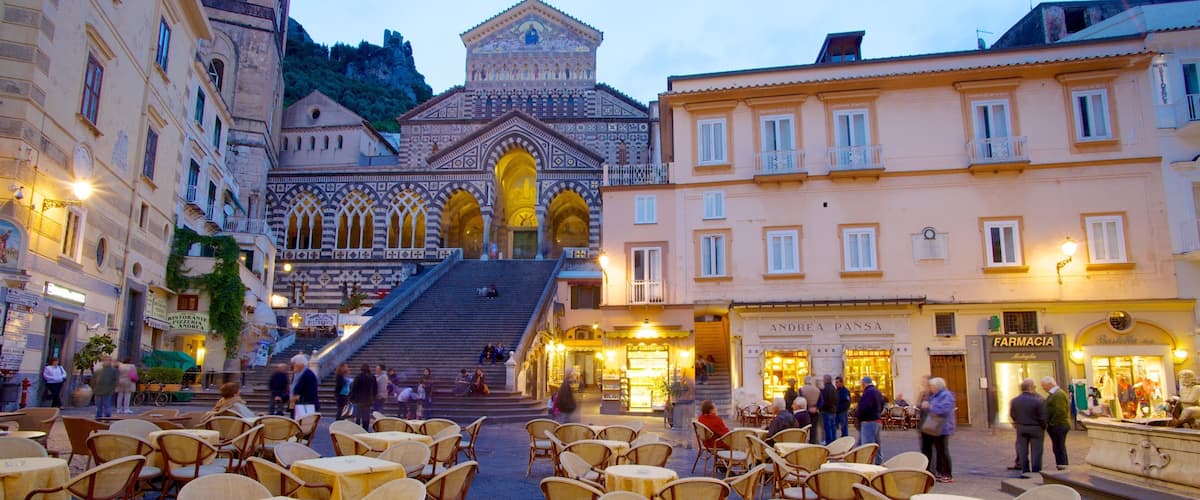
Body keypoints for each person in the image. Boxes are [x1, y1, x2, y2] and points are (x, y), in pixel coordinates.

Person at [1010, 378, 1046, 478]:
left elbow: (1012, 414)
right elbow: (1042, 416)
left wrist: (1018, 422)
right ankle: (1036, 470)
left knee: (1022, 450)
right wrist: (1043, 426)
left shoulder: (1015, 400)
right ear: (1030, 387)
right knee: (1036, 451)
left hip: (1021, 427)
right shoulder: (1038, 401)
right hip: (1036, 428)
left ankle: (1025, 470)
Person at [924, 377, 957, 483]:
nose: (931, 388)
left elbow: (943, 410)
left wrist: (929, 406)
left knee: (943, 451)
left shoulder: (946, 395)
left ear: (938, 386)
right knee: (938, 450)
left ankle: (947, 474)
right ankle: (940, 471)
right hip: (936, 426)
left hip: (943, 427)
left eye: (932, 386)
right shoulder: (936, 395)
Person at [1042, 376, 1070, 470]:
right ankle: (1062, 466)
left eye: (1044, 386)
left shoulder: (1058, 394)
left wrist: (1052, 423)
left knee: (1059, 448)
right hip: (1057, 425)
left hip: (1059, 426)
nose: (1043, 388)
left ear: (1050, 384)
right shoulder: (1054, 394)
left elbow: (1060, 411)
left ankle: (1063, 467)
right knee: (1058, 448)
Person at [856, 376, 885, 464]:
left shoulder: (868, 392)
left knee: (867, 445)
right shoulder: (877, 391)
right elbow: (882, 404)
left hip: (868, 420)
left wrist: (858, 416)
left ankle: (867, 463)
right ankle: (879, 462)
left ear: (864, 383)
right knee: (877, 443)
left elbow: (864, 407)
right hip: (877, 420)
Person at [289, 354, 320, 420]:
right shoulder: (296, 374)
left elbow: (312, 392)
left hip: (305, 406)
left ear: (300, 364)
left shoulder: (308, 375)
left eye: (294, 364)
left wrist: (299, 397)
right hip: (295, 405)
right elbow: (293, 388)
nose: (293, 366)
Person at [349, 364, 377, 428]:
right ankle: (365, 429)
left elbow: (354, 388)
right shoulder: (372, 377)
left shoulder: (358, 377)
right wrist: (373, 398)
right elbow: (375, 389)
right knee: (366, 416)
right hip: (368, 400)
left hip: (358, 400)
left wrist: (351, 398)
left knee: (358, 415)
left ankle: (357, 428)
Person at [802, 376, 821, 444]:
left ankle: (802, 440)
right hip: (815, 410)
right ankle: (813, 441)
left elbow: (801, 400)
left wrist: (807, 407)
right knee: (814, 427)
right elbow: (821, 401)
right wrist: (816, 407)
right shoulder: (817, 390)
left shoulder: (802, 389)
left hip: (805, 411)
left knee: (804, 428)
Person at [819, 375, 838, 445]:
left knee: (827, 428)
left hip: (826, 410)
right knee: (833, 427)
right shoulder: (834, 388)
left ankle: (829, 442)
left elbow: (823, 400)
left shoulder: (825, 389)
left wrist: (820, 408)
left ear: (826, 380)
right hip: (833, 410)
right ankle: (834, 440)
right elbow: (836, 399)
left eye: (823, 379)